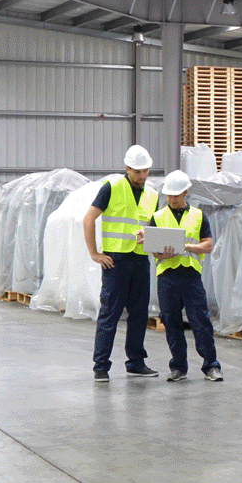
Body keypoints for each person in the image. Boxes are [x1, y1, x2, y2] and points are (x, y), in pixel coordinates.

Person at [83, 146, 160, 382]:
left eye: (145, 171)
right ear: (127, 169)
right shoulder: (112, 188)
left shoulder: (152, 194)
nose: (141, 176)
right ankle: (101, 366)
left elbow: (153, 227)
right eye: (137, 172)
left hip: (140, 259)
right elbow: (88, 220)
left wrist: (151, 238)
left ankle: (136, 363)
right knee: (110, 314)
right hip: (115, 261)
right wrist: (95, 254)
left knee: (139, 314)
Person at [148, 170, 222, 382]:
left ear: (186, 192)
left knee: (201, 321)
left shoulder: (198, 216)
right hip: (167, 276)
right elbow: (154, 249)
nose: (172, 199)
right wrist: (161, 252)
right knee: (171, 322)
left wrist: (188, 246)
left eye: (176, 195)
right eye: (169, 195)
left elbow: (208, 245)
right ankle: (179, 367)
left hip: (190, 276)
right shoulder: (158, 216)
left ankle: (211, 366)